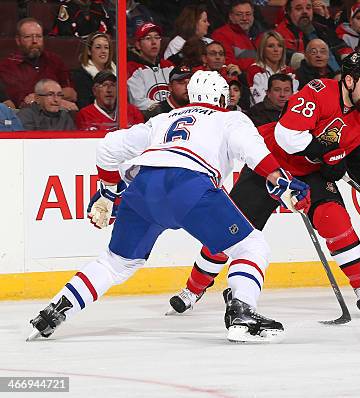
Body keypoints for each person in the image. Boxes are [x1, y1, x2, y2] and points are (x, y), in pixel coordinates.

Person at [27, 70, 311, 343]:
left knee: (115, 262)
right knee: (251, 247)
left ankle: (54, 310)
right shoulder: (230, 118)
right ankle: (242, 313)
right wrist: (280, 178)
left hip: (143, 188)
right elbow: (253, 151)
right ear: (222, 98)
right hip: (190, 186)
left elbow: (108, 147)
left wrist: (109, 191)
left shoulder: (162, 119)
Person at [168, 53, 360, 318]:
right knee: (230, 229)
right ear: (349, 80)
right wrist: (324, 151)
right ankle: (193, 289)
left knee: (334, 218)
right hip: (270, 164)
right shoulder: (318, 92)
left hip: (310, 173)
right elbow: (287, 135)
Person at [0, 18, 77, 110]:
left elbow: (71, 93)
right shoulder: (7, 66)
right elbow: (21, 101)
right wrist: (57, 97)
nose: (34, 41)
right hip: (28, 118)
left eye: (39, 36)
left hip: (58, 115)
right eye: (28, 37)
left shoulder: (55, 60)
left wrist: (39, 97)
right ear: (18, 40)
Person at [276, 0, 351, 73]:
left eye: (308, 8)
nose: (305, 12)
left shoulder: (322, 28)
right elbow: (288, 57)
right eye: (299, 8)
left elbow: (342, 46)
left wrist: (347, 57)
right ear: (288, 12)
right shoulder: (281, 33)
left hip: (340, 75)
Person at [127, 22, 174, 111]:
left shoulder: (169, 66)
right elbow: (138, 102)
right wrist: (166, 107)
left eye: (157, 37)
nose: (153, 42)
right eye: (148, 38)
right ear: (138, 45)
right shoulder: (131, 68)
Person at [76, 71, 143, 130]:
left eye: (113, 85)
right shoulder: (84, 115)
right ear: (94, 90)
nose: (109, 90)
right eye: (104, 85)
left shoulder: (133, 111)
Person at [210, 0, 266, 71]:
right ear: (230, 16)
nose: (244, 18)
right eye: (239, 14)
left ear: (253, 16)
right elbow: (227, 64)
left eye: (248, 14)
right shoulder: (221, 35)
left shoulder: (261, 35)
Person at [246, 30, 298, 105]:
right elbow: (260, 101)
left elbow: (295, 99)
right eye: (271, 46)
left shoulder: (289, 71)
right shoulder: (255, 70)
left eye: (279, 46)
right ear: (263, 50)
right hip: (263, 114)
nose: (276, 50)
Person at [72, 32, 116, 109]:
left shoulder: (117, 73)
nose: (103, 51)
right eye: (98, 47)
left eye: (106, 47)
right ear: (89, 51)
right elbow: (84, 104)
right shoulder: (80, 75)